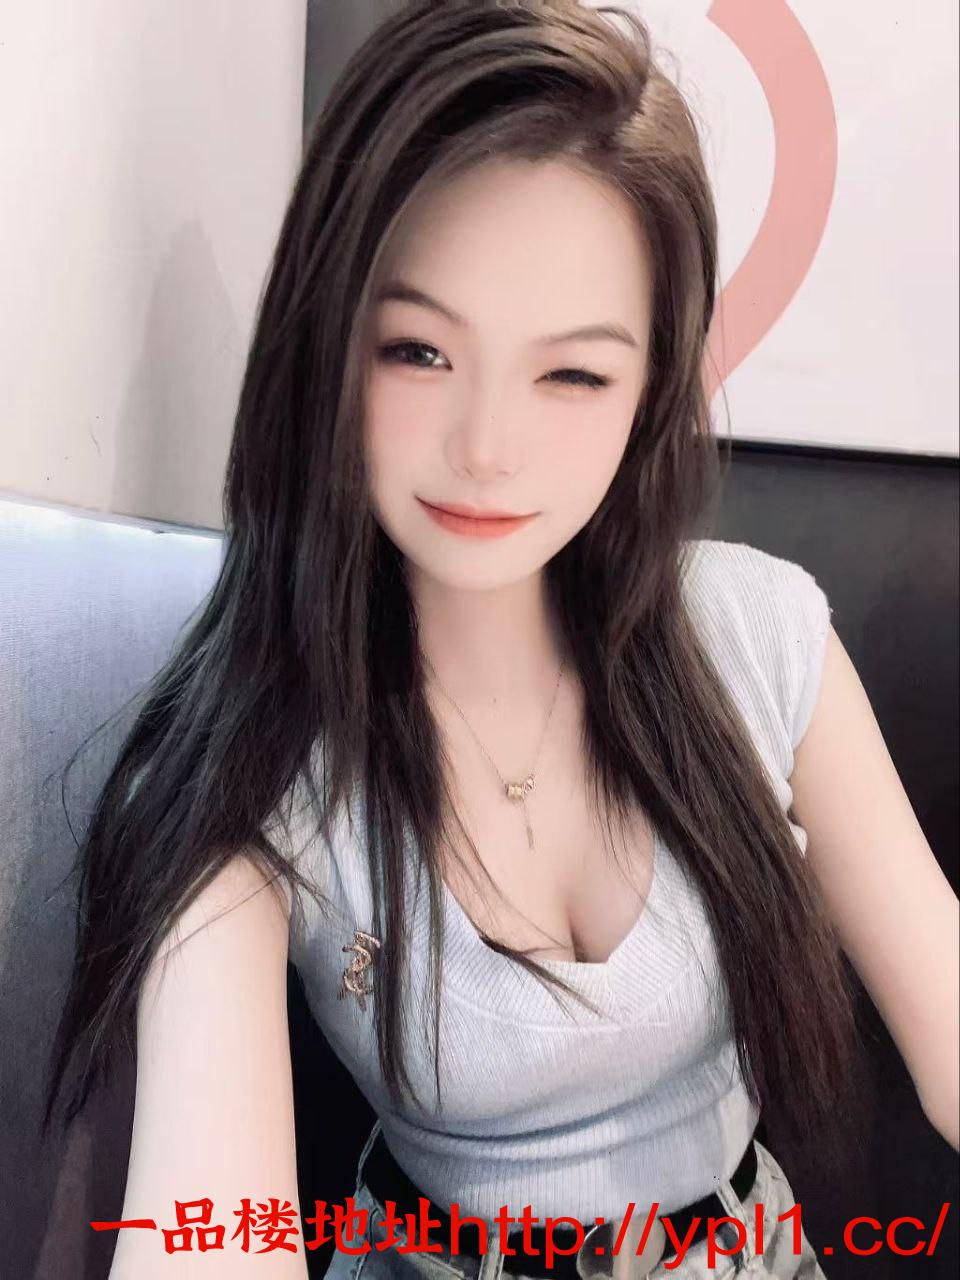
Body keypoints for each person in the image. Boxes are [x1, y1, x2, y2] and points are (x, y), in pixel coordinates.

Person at [43, 2, 959, 1278]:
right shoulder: (257, 762)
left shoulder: (758, 637)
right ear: (325, 342)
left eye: (572, 373)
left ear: (650, 387)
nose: (486, 446)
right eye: (418, 349)